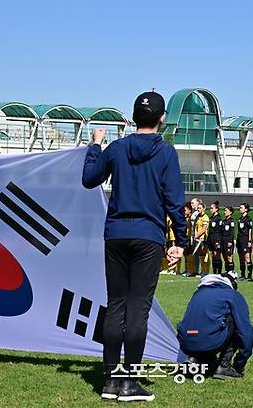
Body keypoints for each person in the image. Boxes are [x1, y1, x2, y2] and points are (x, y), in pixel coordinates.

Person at [82, 91, 187, 402]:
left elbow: (90, 179)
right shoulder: (166, 153)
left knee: (115, 305)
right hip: (148, 236)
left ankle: (110, 381)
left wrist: (94, 145)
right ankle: (129, 383)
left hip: (116, 233)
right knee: (138, 308)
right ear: (162, 118)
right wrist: (180, 241)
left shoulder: (116, 147)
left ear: (132, 117)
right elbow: (174, 200)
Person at [177, 271, 253, 380]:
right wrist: (239, 364)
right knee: (236, 322)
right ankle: (224, 365)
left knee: (202, 324)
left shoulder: (198, 293)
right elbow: (246, 333)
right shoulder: (233, 295)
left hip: (186, 342)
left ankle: (195, 358)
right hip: (211, 340)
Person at [236, 203, 253, 281]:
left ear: (246, 209)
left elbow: (250, 230)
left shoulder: (248, 219)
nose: (240, 209)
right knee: (241, 258)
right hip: (239, 240)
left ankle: (249, 276)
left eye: (241, 207)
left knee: (247, 257)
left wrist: (249, 240)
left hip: (245, 239)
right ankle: (242, 275)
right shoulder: (239, 219)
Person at [207, 202, 224, 275]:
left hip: (216, 238)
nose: (210, 209)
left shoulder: (219, 219)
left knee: (217, 255)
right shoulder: (210, 218)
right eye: (210, 208)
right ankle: (214, 272)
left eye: (212, 208)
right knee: (212, 255)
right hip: (210, 237)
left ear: (216, 209)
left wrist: (218, 241)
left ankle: (219, 273)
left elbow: (220, 230)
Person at [194, 203, 210, 277]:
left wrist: (197, 236)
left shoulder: (205, 217)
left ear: (204, 208)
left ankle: (206, 271)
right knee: (201, 255)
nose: (198, 209)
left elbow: (204, 229)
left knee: (204, 254)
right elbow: (196, 227)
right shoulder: (198, 217)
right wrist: (195, 235)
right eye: (198, 208)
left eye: (200, 208)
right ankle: (202, 270)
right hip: (198, 238)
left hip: (203, 238)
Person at [189, 198, 203, 277]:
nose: (191, 205)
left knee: (200, 254)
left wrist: (197, 235)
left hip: (198, 236)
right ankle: (195, 270)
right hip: (193, 235)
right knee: (195, 254)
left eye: (193, 203)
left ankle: (200, 271)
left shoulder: (199, 213)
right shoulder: (194, 213)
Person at [221, 206, 236, 273]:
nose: (225, 212)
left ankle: (232, 271)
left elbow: (232, 232)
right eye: (224, 210)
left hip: (228, 240)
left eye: (226, 210)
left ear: (230, 212)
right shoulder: (223, 221)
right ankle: (227, 271)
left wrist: (230, 240)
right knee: (224, 256)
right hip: (223, 240)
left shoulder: (231, 221)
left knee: (229, 256)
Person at [182, 203, 195, 276]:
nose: (184, 211)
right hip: (185, 238)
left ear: (190, 210)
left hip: (190, 238)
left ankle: (191, 270)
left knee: (190, 254)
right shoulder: (185, 218)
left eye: (185, 210)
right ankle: (187, 270)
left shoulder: (191, 219)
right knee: (186, 254)